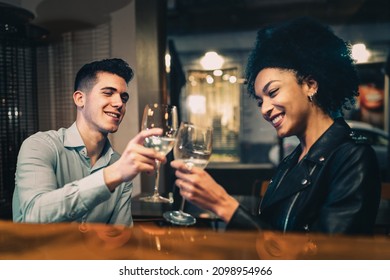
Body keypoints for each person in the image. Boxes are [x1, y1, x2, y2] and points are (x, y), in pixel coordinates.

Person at [171, 17, 381, 235]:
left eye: (273, 93)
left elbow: (323, 260)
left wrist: (224, 205)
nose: (264, 109)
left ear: (310, 85)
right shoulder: (292, 162)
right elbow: (270, 237)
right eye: (261, 101)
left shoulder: (353, 158)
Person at [12, 58, 165, 226]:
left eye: (124, 97)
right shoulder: (39, 146)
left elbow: (119, 236)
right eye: (108, 93)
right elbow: (35, 216)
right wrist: (110, 177)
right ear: (80, 99)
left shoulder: (119, 164)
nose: (119, 103)